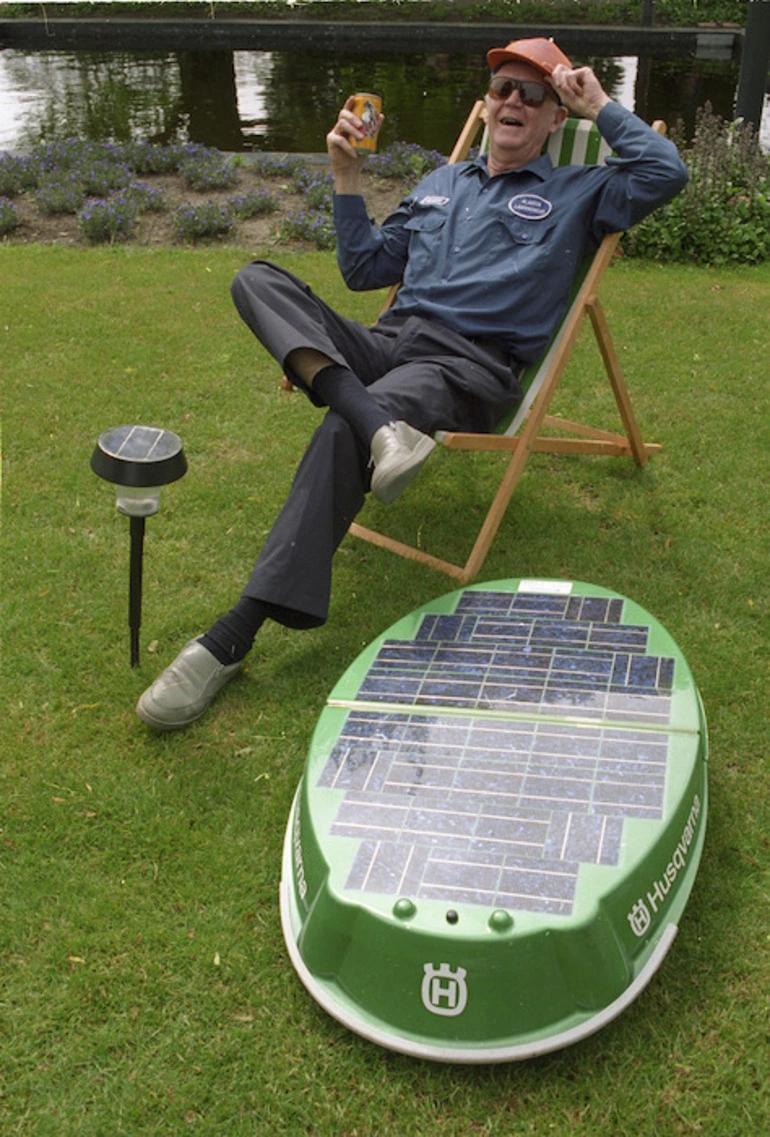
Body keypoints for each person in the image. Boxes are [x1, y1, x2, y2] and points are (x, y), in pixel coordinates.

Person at [136, 37, 688, 731]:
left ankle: (230, 637)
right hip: (389, 342)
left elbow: (665, 173)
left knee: (341, 425)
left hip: (463, 367)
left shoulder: (583, 191)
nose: (513, 100)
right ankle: (379, 428)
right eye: (502, 91)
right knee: (256, 279)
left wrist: (599, 104)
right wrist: (344, 176)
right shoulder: (441, 183)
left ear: (555, 120)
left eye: (533, 93)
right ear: (485, 109)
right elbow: (366, 269)